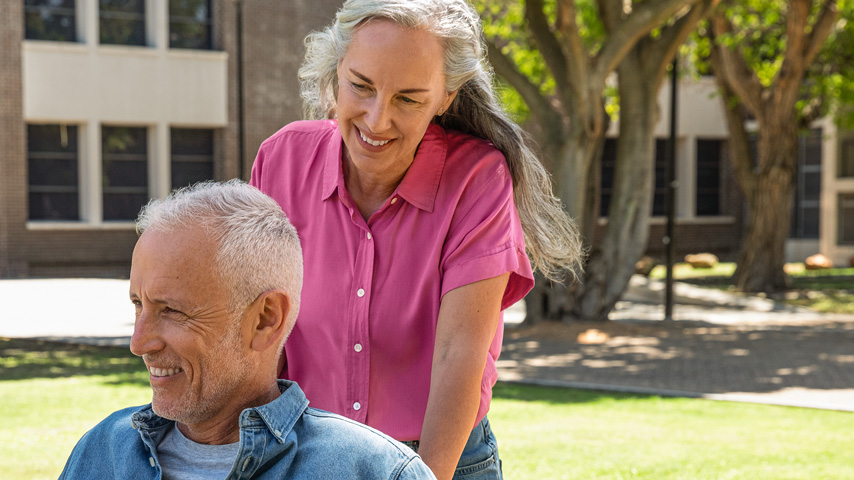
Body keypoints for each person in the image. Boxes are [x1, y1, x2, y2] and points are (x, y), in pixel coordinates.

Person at [249, 1, 584, 478]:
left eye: (408, 99)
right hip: (309, 452)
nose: (377, 120)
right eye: (360, 86)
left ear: (445, 98)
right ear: (336, 71)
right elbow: (261, 333)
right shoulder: (281, 159)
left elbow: (459, 355)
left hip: (440, 457)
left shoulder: (477, 178)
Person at [58, 180, 437, 480]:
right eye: (138, 304)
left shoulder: (377, 471)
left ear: (265, 319)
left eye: (171, 311)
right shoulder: (102, 450)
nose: (138, 343)